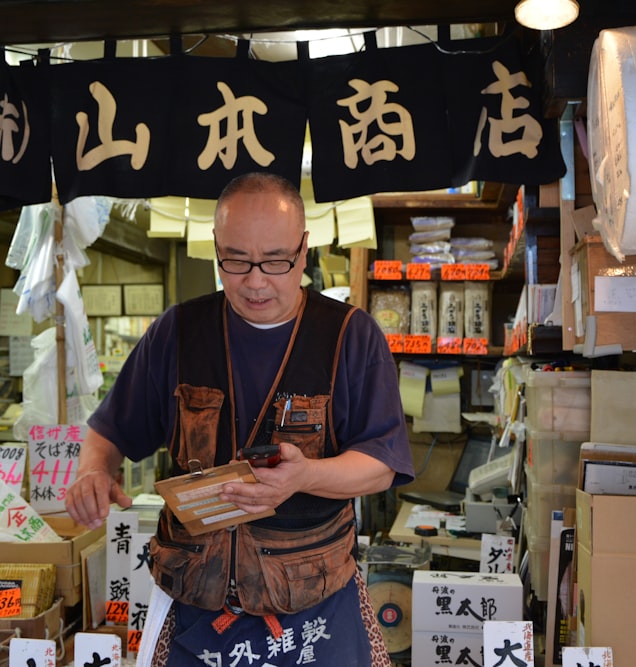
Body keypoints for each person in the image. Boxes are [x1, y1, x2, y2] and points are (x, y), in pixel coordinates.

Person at [65, 172, 414, 666]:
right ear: (215, 247)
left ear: (303, 248)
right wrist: (92, 471)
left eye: (275, 260)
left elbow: (381, 463)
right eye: (234, 260)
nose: (254, 280)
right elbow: (108, 430)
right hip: (195, 605)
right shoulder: (178, 332)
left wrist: (306, 475)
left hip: (311, 603)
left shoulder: (350, 337)